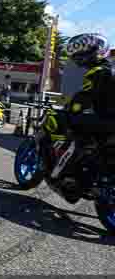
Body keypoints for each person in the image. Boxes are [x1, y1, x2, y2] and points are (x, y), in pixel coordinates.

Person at [54, 33, 115, 190]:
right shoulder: (110, 69)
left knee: (67, 122)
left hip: (106, 121)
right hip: (109, 122)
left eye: (81, 55)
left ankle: (64, 172)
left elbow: (83, 98)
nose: (79, 59)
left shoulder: (97, 71)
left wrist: (70, 109)